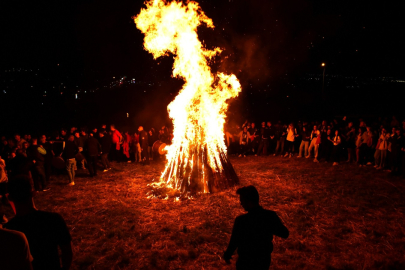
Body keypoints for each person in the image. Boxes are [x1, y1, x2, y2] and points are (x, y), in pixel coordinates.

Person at [5, 175, 73, 270]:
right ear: (33, 193)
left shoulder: (9, 230)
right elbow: (67, 251)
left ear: (9, 198)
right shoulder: (53, 219)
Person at [223, 186, 289, 270]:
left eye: (242, 200)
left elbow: (234, 241)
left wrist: (227, 255)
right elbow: (285, 233)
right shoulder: (269, 216)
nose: (241, 203)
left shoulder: (241, 221)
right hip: (263, 261)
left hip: (244, 262)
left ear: (248, 201)